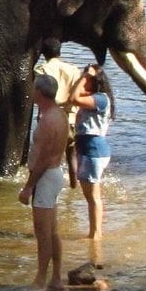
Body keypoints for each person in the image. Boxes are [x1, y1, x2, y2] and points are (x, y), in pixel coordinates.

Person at [18, 73, 70, 291]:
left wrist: (29, 186)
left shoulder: (49, 120)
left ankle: (41, 279)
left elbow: (44, 158)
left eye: (34, 89)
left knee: (42, 232)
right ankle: (56, 277)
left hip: (46, 176)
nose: (31, 92)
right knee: (53, 230)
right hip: (55, 173)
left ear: (40, 92)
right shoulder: (58, 114)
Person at [71, 63, 115, 267]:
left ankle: (96, 234)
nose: (83, 80)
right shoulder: (94, 99)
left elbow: (74, 97)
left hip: (94, 149)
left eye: (87, 78)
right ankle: (93, 232)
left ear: (95, 82)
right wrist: (83, 78)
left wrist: (83, 78)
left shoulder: (100, 99)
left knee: (93, 195)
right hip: (88, 149)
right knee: (89, 195)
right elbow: (73, 98)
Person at [35, 39, 83, 186]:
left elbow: (39, 94)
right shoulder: (73, 69)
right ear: (60, 52)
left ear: (43, 53)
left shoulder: (41, 70)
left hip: (50, 119)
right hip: (71, 118)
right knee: (72, 156)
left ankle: (45, 189)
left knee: (47, 157)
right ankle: (74, 187)